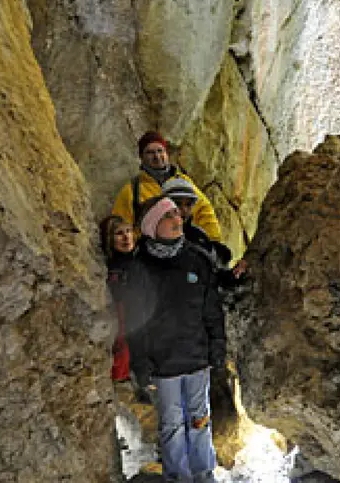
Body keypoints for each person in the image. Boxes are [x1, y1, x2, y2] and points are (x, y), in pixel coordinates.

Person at [117, 196, 225, 483]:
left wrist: (217, 349)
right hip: (162, 363)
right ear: (153, 226)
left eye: (178, 214)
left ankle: (203, 473)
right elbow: (136, 324)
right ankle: (177, 476)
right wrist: (141, 364)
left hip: (196, 356)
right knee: (171, 424)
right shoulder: (139, 268)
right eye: (169, 216)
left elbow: (212, 309)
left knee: (200, 419)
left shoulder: (197, 258)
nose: (178, 220)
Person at [112, 131, 222, 243]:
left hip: (187, 247)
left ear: (167, 153)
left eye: (160, 151)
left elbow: (204, 209)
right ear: (141, 157)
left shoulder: (183, 181)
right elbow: (120, 225)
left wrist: (213, 241)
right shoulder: (132, 190)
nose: (157, 156)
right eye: (150, 152)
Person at [162, 178, 247, 285]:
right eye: (177, 204)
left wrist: (233, 274)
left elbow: (214, 275)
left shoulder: (198, 236)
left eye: (188, 204)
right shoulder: (152, 239)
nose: (183, 210)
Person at [99, 215, 136, 382]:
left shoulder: (140, 261)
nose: (126, 237)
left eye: (128, 231)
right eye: (119, 233)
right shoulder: (114, 269)